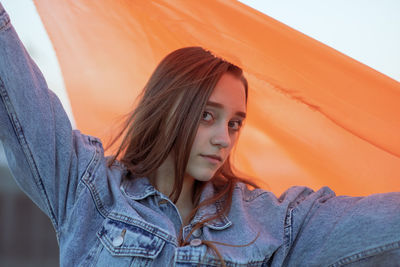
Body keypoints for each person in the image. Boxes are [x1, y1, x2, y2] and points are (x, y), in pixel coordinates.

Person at [1, 4, 399, 266]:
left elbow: (379, 222)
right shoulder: (89, 190)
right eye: (207, 115)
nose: (224, 139)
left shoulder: (272, 222)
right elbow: (17, 90)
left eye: (235, 123)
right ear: (168, 109)